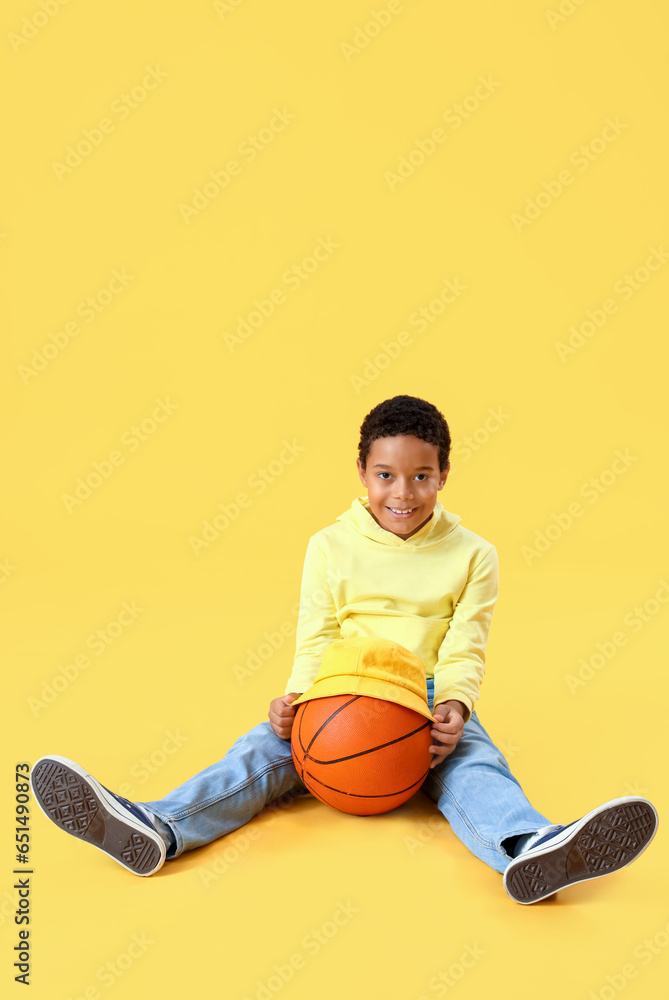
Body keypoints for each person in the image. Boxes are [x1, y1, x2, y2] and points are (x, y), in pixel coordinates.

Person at [30, 394, 659, 903]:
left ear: (444, 474)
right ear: (362, 473)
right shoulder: (329, 546)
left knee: (473, 765)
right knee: (257, 754)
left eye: (421, 477)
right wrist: (298, 701)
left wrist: (456, 710)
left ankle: (530, 847)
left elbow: (466, 645)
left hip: (424, 695)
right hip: (339, 693)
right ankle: (158, 827)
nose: (403, 494)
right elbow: (317, 635)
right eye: (386, 475)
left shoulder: (476, 555)